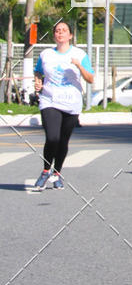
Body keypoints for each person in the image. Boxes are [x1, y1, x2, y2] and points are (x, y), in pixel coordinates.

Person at [32, 20, 94, 190]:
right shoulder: (46, 54)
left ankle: (56, 173)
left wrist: (79, 66)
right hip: (49, 100)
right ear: (54, 35)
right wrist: (38, 82)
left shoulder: (80, 54)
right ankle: (45, 171)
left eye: (64, 30)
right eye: (57, 31)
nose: (60, 33)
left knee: (63, 141)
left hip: (71, 102)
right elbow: (38, 71)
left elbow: (90, 79)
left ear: (70, 35)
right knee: (52, 138)